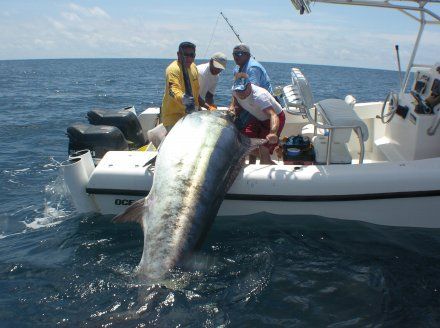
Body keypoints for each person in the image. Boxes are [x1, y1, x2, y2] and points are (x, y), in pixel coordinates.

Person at [231, 73, 285, 164]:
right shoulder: (235, 91)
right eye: (238, 90)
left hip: (274, 118)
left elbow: (273, 115)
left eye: (243, 90)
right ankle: (252, 163)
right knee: (241, 142)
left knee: (264, 155)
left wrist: (273, 133)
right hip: (257, 117)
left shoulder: (259, 96)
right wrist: (232, 108)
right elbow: (235, 101)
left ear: (249, 85)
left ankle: (271, 156)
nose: (240, 93)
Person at [160, 41, 214, 132]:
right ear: (178, 54)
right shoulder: (173, 69)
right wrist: (183, 98)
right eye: (185, 55)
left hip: (190, 116)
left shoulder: (193, 67)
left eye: (192, 55)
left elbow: (195, 95)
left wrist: (208, 107)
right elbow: (172, 90)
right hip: (174, 119)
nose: (188, 58)